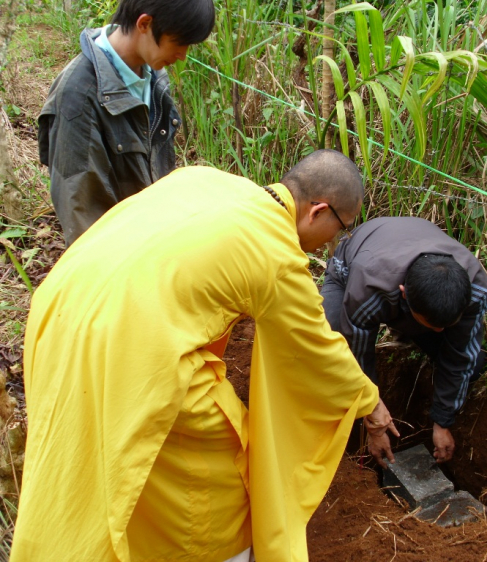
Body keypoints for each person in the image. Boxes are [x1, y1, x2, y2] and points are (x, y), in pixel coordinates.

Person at [11, 150, 397, 562]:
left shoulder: (203, 178)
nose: (334, 242)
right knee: (224, 476)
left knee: (89, 458)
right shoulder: (276, 254)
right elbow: (317, 349)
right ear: (317, 211)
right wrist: (370, 406)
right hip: (129, 346)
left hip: (58, 313)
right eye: (339, 229)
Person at [38, 0, 215, 247]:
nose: (182, 56)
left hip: (151, 244)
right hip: (120, 261)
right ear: (145, 23)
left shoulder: (153, 79)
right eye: (179, 43)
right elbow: (83, 221)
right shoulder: (78, 98)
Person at [321, 216, 487, 465]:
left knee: (474, 366)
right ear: (404, 294)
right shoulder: (368, 287)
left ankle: (414, 329)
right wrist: (372, 417)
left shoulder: (475, 289)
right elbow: (357, 354)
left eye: (446, 325)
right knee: (331, 340)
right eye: (432, 325)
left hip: (407, 264)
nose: (441, 330)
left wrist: (443, 422)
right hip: (353, 268)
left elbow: (461, 356)